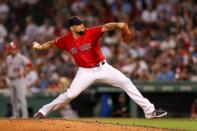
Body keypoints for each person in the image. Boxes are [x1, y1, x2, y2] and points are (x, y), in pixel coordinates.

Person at [33, 16, 167, 119]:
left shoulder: (90, 32)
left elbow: (107, 27)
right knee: (70, 94)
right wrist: (39, 46)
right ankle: (43, 111)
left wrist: (119, 24)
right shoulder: (66, 40)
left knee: (126, 82)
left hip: (103, 68)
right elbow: (52, 43)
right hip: (85, 72)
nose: (82, 26)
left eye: (82, 23)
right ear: (72, 28)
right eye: (79, 24)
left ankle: (150, 111)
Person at [5, 42, 30, 118]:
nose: (13, 50)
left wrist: (25, 72)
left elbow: (29, 64)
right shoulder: (8, 58)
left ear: (16, 49)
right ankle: (15, 114)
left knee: (21, 98)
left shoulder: (20, 57)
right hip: (11, 79)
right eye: (11, 49)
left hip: (19, 79)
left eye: (14, 49)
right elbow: (7, 68)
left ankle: (24, 115)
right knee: (13, 99)